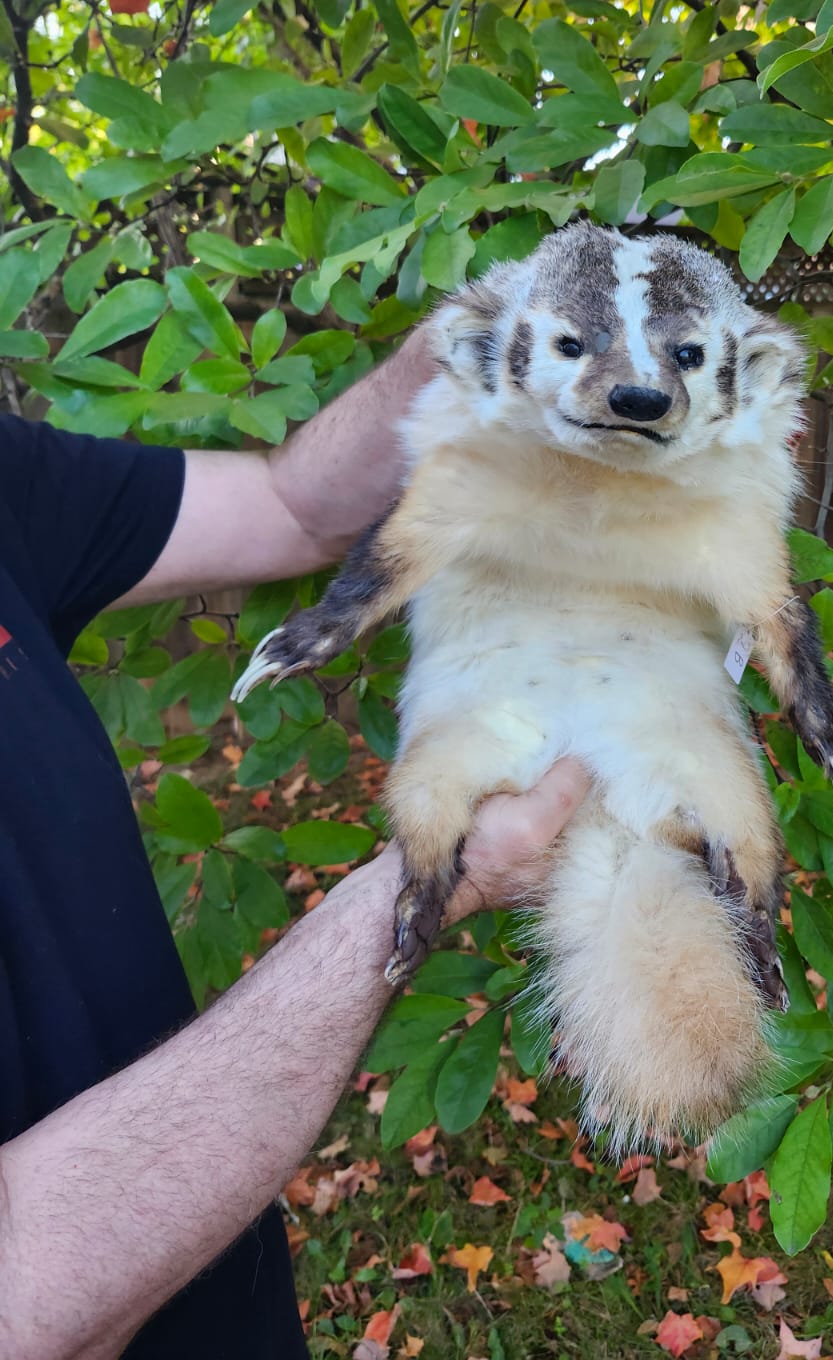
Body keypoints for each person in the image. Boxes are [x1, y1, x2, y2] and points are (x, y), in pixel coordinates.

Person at [0, 332, 590, 1360]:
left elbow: (290, 505)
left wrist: (465, 338)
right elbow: (23, 1295)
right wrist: (430, 879)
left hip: (212, 1280)